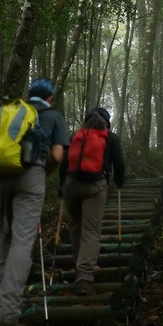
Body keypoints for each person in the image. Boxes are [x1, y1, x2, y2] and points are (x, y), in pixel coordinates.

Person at [0, 77, 69, 326]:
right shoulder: (53, 116)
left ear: (29, 95)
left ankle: (3, 296)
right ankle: (7, 313)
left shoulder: (6, 112)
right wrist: (41, 173)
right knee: (22, 240)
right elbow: (58, 156)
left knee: (6, 233)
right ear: (50, 97)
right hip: (30, 175)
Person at [59, 106, 125, 296]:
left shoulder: (76, 136)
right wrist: (119, 182)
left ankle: (78, 266)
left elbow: (64, 164)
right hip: (95, 187)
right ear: (107, 123)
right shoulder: (110, 138)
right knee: (91, 230)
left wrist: (60, 188)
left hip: (71, 185)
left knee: (76, 226)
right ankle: (84, 278)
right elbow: (119, 165)